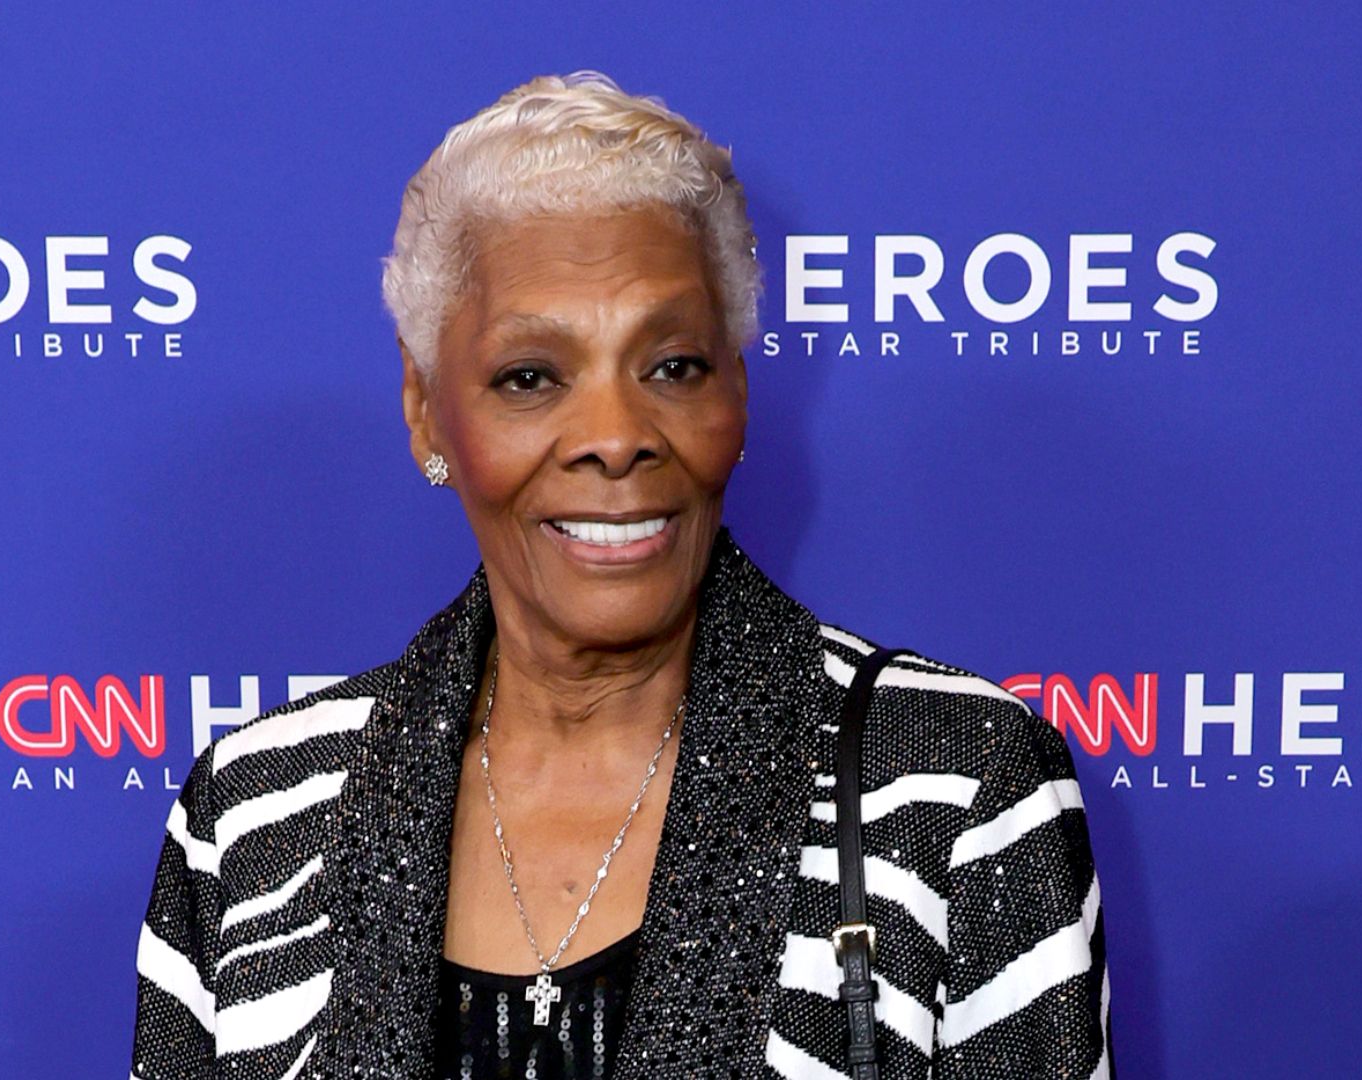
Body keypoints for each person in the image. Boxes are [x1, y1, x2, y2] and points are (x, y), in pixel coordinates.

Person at [131, 70, 1111, 1080]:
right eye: (531, 377)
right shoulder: (255, 815)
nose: (614, 437)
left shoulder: (955, 787)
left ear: (738, 389)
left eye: (672, 365)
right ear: (427, 412)